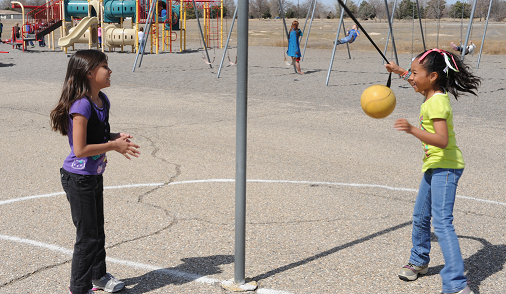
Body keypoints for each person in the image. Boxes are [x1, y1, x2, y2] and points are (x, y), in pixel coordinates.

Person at [385, 49, 481, 294]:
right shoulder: (432, 92)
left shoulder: (436, 102)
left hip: (445, 168)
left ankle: (457, 285)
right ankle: (419, 261)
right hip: (434, 166)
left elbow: (441, 140)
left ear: (434, 76)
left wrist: (411, 129)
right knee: (420, 216)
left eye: (415, 73)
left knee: (442, 224)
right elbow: (417, 78)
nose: (412, 78)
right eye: (412, 73)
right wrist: (399, 71)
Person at [50, 50, 140, 294]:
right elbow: (79, 149)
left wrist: (114, 137)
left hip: (93, 175)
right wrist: (113, 146)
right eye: (104, 66)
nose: (109, 70)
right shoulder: (81, 105)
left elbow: (96, 137)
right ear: (89, 73)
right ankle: (79, 288)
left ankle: (98, 275)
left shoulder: (102, 100)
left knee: (97, 232)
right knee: (87, 236)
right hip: (78, 179)